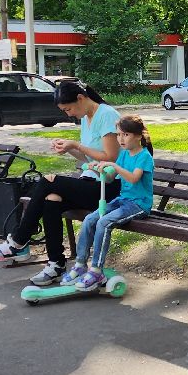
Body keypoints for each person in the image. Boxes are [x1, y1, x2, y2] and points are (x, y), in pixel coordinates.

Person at [0, 80, 121, 282]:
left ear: (80, 98)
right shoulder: (86, 118)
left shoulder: (106, 115)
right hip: (91, 182)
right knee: (51, 198)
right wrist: (69, 148)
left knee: (49, 181)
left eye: (68, 108)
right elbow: (89, 159)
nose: (68, 114)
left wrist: (77, 145)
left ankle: (18, 240)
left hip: (109, 187)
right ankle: (56, 263)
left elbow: (110, 158)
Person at [63, 115, 155, 292]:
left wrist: (114, 165)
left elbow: (134, 178)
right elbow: (111, 178)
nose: (120, 139)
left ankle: (96, 270)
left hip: (138, 205)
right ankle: (81, 264)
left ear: (138, 135)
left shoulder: (144, 156)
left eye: (125, 135)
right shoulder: (124, 154)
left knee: (104, 223)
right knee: (91, 219)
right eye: (119, 135)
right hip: (122, 200)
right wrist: (98, 170)